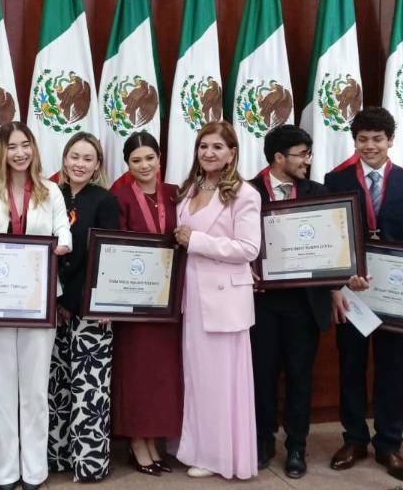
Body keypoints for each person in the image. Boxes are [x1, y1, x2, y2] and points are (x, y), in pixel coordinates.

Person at [325, 106, 403, 483]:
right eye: (362, 139)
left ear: (390, 140)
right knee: (351, 368)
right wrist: (339, 282)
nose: (370, 146)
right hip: (353, 294)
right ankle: (354, 439)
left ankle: (389, 444)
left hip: (397, 295)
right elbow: (332, 238)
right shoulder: (335, 180)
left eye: (377, 139)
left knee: (391, 371)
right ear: (355, 142)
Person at [0, 121, 72, 490]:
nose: (20, 153)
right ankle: (4, 470)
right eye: (12, 146)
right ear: (1, 151)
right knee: (0, 390)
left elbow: (63, 228)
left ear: (34, 148)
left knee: (34, 391)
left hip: (39, 297)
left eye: (25, 144)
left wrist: (62, 243)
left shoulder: (51, 189)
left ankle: (33, 470)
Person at [172, 121, 262, 480]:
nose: (209, 153)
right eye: (203, 146)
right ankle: (196, 448)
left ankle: (220, 458)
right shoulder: (190, 188)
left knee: (220, 383)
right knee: (197, 379)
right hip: (190, 296)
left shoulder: (244, 193)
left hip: (224, 300)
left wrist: (196, 241)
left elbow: (249, 248)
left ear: (232, 153)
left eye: (217, 147)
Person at [247, 124, 333, 479]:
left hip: (304, 303)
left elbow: (331, 241)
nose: (307, 161)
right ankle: (263, 440)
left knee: (300, 377)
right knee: (262, 375)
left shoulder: (318, 192)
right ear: (279, 157)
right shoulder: (247, 191)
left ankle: (297, 445)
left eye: (308, 154)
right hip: (261, 302)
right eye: (302, 155)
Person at [107, 132, 182, 476]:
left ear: (159, 158)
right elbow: (114, 247)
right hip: (134, 301)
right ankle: (137, 442)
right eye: (136, 160)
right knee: (137, 372)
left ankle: (154, 440)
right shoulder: (119, 197)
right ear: (127, 164)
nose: (144, 165)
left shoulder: (175, 193)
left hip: (169, 299)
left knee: (162, 374)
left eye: (150, 158)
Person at [47, 133, 120, 482]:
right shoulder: (50, 194)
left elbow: (108, 253)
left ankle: (89, 464)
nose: (79, 163)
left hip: (92, 308)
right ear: (64, 159)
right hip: (53, 305)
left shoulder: (105, 200)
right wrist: (56, 300)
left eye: (88, 158)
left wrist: (97, 301)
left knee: (90, 389)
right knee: (56, 388)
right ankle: (56, 458)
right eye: (74, 156)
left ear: (97, 165)